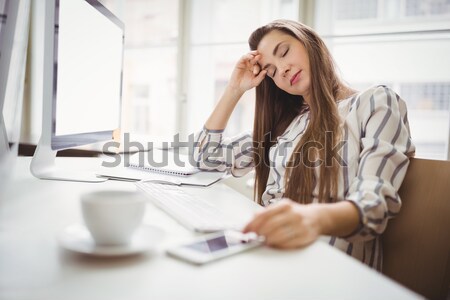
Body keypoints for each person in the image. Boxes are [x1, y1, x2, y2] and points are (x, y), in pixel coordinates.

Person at [192, 19, 415, 271]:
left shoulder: (373, 102)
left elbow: (374, 205)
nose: (283, 70)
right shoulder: (286, 124)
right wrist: (234, 89)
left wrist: (311, 218)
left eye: (284, 52)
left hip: (328, 269)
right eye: (272, 71)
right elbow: (205, 157)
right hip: (268, 257)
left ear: (310, 42)